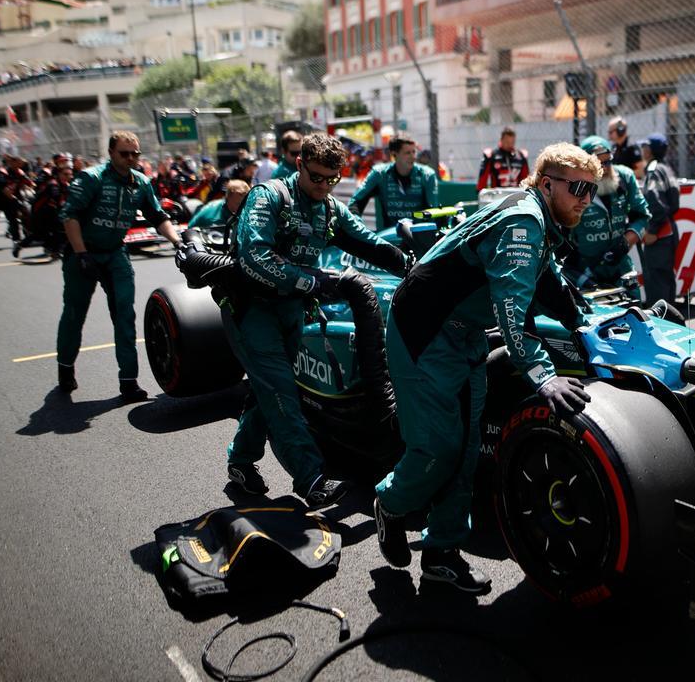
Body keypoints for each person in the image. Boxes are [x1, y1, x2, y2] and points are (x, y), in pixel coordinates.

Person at [373, 144, 596, 593]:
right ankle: (391, 503)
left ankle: (441, 553)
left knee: (466, 448)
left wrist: (583, 322)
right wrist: (544, 375)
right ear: (547, 183)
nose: (586, 199)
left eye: (592, 190)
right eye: (577, 188)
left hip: (465, 333)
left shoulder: (539, 218)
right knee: (439, 447)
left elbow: (547, 279)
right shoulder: (524, 221)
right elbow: (511, 309)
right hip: (425, 331)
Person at [221, 133, 410, 508]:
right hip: (251, 309)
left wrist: (412, 267)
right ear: (299, 165)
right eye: (317, 177)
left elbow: (370, 243)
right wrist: (311, 281)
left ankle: (240, 460)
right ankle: (311, 478)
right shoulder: (269, 196)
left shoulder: (331, 209)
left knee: (267, 391)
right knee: (282, 393)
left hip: (292, 310)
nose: (324, 186)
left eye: (332, 179)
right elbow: (255, 256)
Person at [56, 131, 183, 399]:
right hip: (84, 253)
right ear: (111, 153)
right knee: (75, 313)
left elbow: (157, 216)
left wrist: (176, 241)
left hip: (115, 253)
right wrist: (81, 254)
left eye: (135, 154)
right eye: (124, 154)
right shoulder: (91, 178)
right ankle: (65, 368)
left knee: (125, 314)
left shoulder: (141, 182)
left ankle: (128, 381)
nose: (130, 158)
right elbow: (70, 216)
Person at [565, 135, 649, 291]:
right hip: (586, 272)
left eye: (608, 161)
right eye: (598, 163)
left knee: (633, 305)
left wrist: (624, 244)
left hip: (621, 267)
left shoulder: (625, 177)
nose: (605, 168)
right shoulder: (572, 187)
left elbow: (643, 217)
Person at [349, 134, 440, 230]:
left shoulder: (427, 175)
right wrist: (357, 227)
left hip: (419, 233)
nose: (413, 157)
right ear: (394, 154)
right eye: (407, 153)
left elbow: (433, 212)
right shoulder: (380, 174)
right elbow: (356, 202)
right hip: (389, 235)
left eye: (414, 152)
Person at [639, 133, 681, 310]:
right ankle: (671, 321)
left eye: (644, 147)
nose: (642, 150)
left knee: (657, 284)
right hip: (669, 230)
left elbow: (657, 204)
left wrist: (652, 231)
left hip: (661, 234)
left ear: (649, 150)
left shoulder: (654, 170)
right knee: (666, 280)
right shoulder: (666, 168)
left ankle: (660, 323)